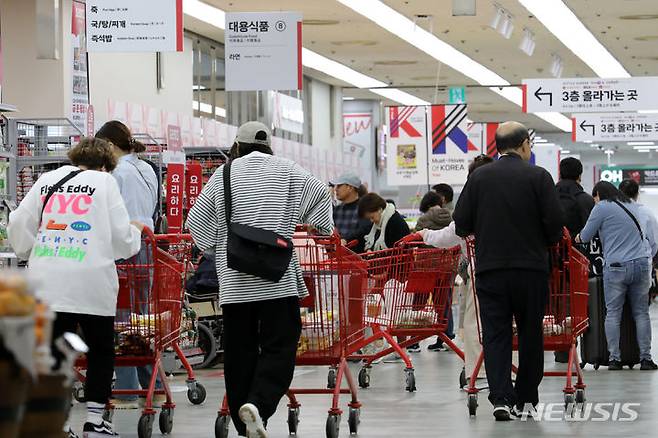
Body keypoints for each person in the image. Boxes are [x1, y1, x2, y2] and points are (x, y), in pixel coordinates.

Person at [186, 121, 333, 438]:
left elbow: (195, 223)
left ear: (237, 146)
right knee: (280, 346)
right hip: (277, 279)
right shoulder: (288, 169)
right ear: (269, 146)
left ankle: (244, 426)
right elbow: (321, 194)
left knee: (240, 351)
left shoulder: (223, 174)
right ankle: (259, 405)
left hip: (235, 285)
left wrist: (220, 250)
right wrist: (320, 228)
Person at [8, 138, 144, 438]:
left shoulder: (47, 180)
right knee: (100, 350)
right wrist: (135, 235)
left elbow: (18, 223)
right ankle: (95, 421)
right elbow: (121, 237)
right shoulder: (104, 182)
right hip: (91, 282)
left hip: (48, 283)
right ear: (107, 164)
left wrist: (33, 251)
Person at [453, 121, 563, 421]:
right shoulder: (539, 176)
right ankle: (526, 399)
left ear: (497, 147)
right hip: (531, 271)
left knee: (496, 334)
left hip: (491, 270)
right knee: (530, 334)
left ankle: (500, 398)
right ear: (525, 144)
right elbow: (554, 227)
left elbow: (460, 223)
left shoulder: (479, 178)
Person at [95, 120, 161, 409]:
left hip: (124, 248)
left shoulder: (115, 173)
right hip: (148, 246)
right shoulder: (147, 168)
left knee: (121, 320)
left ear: (109, 145)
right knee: (142, 320)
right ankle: (153, 384)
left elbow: (109, 215)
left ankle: (125, 390)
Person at [418, 155, 494, 381]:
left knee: (474, 323)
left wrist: (424, 235)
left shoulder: (472, 201)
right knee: (508, 323)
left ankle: (478, 370)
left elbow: (453, 233)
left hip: (483, 269)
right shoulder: (513, 195)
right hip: (518, 267)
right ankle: (510, 368)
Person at [576, 181, 658, 371]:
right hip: (640, 266)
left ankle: (614, 358)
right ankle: (645, 358)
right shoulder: (632, 206)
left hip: (616, 267)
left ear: (599, 194)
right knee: (641, 313)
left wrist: (577, 238)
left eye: (594, 197)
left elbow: (586, 236)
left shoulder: (602, 207)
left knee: (613, 313)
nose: (594, 201)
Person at [358, 193, 416, 356]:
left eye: (372, 217)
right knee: (390, 311)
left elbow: (399, 252)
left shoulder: (394, 222)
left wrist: (383, 272)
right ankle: (392, 347)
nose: (372, 221)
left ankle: (396, 348)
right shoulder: (381, 223)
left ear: (379, 209)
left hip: (397, 274)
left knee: (393, 311)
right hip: (389, 273)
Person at [554, 157, 595, 363]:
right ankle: (585, 349)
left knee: (557, 301)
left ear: (560, 173)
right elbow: (592, 233)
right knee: (580, 303)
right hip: (577, 261)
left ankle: (560, 346)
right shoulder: (585, 199)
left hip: (550, 261)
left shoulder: (548, 196)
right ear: (580, 175)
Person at [414, 190, 453, 351]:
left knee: (419, 302)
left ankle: (414, 339)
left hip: (426, 265)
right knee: (443, 301)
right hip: (446, 265)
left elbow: (417, 239)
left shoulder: (424, 219)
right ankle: (446, 336)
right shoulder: (450, 217)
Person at [556, 157, 595, 240]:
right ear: (579, 176)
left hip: (552, 249)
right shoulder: (587, 200)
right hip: (579, 250)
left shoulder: (548, 198)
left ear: (560, 174)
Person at [331, 172, 371, 252]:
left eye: (339, 186)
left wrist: (346, 239)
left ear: (350, 187)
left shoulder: (364, 207)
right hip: (338, 256)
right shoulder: (337, 210)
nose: (335, 189)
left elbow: (364, 229)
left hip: (358, 257)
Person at [619, 179, 658, 249]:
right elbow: (654, 242)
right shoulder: (647, 213)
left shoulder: (612, 213)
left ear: (619, 194)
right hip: (642, 258)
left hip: (617, 258)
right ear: (637, 194)